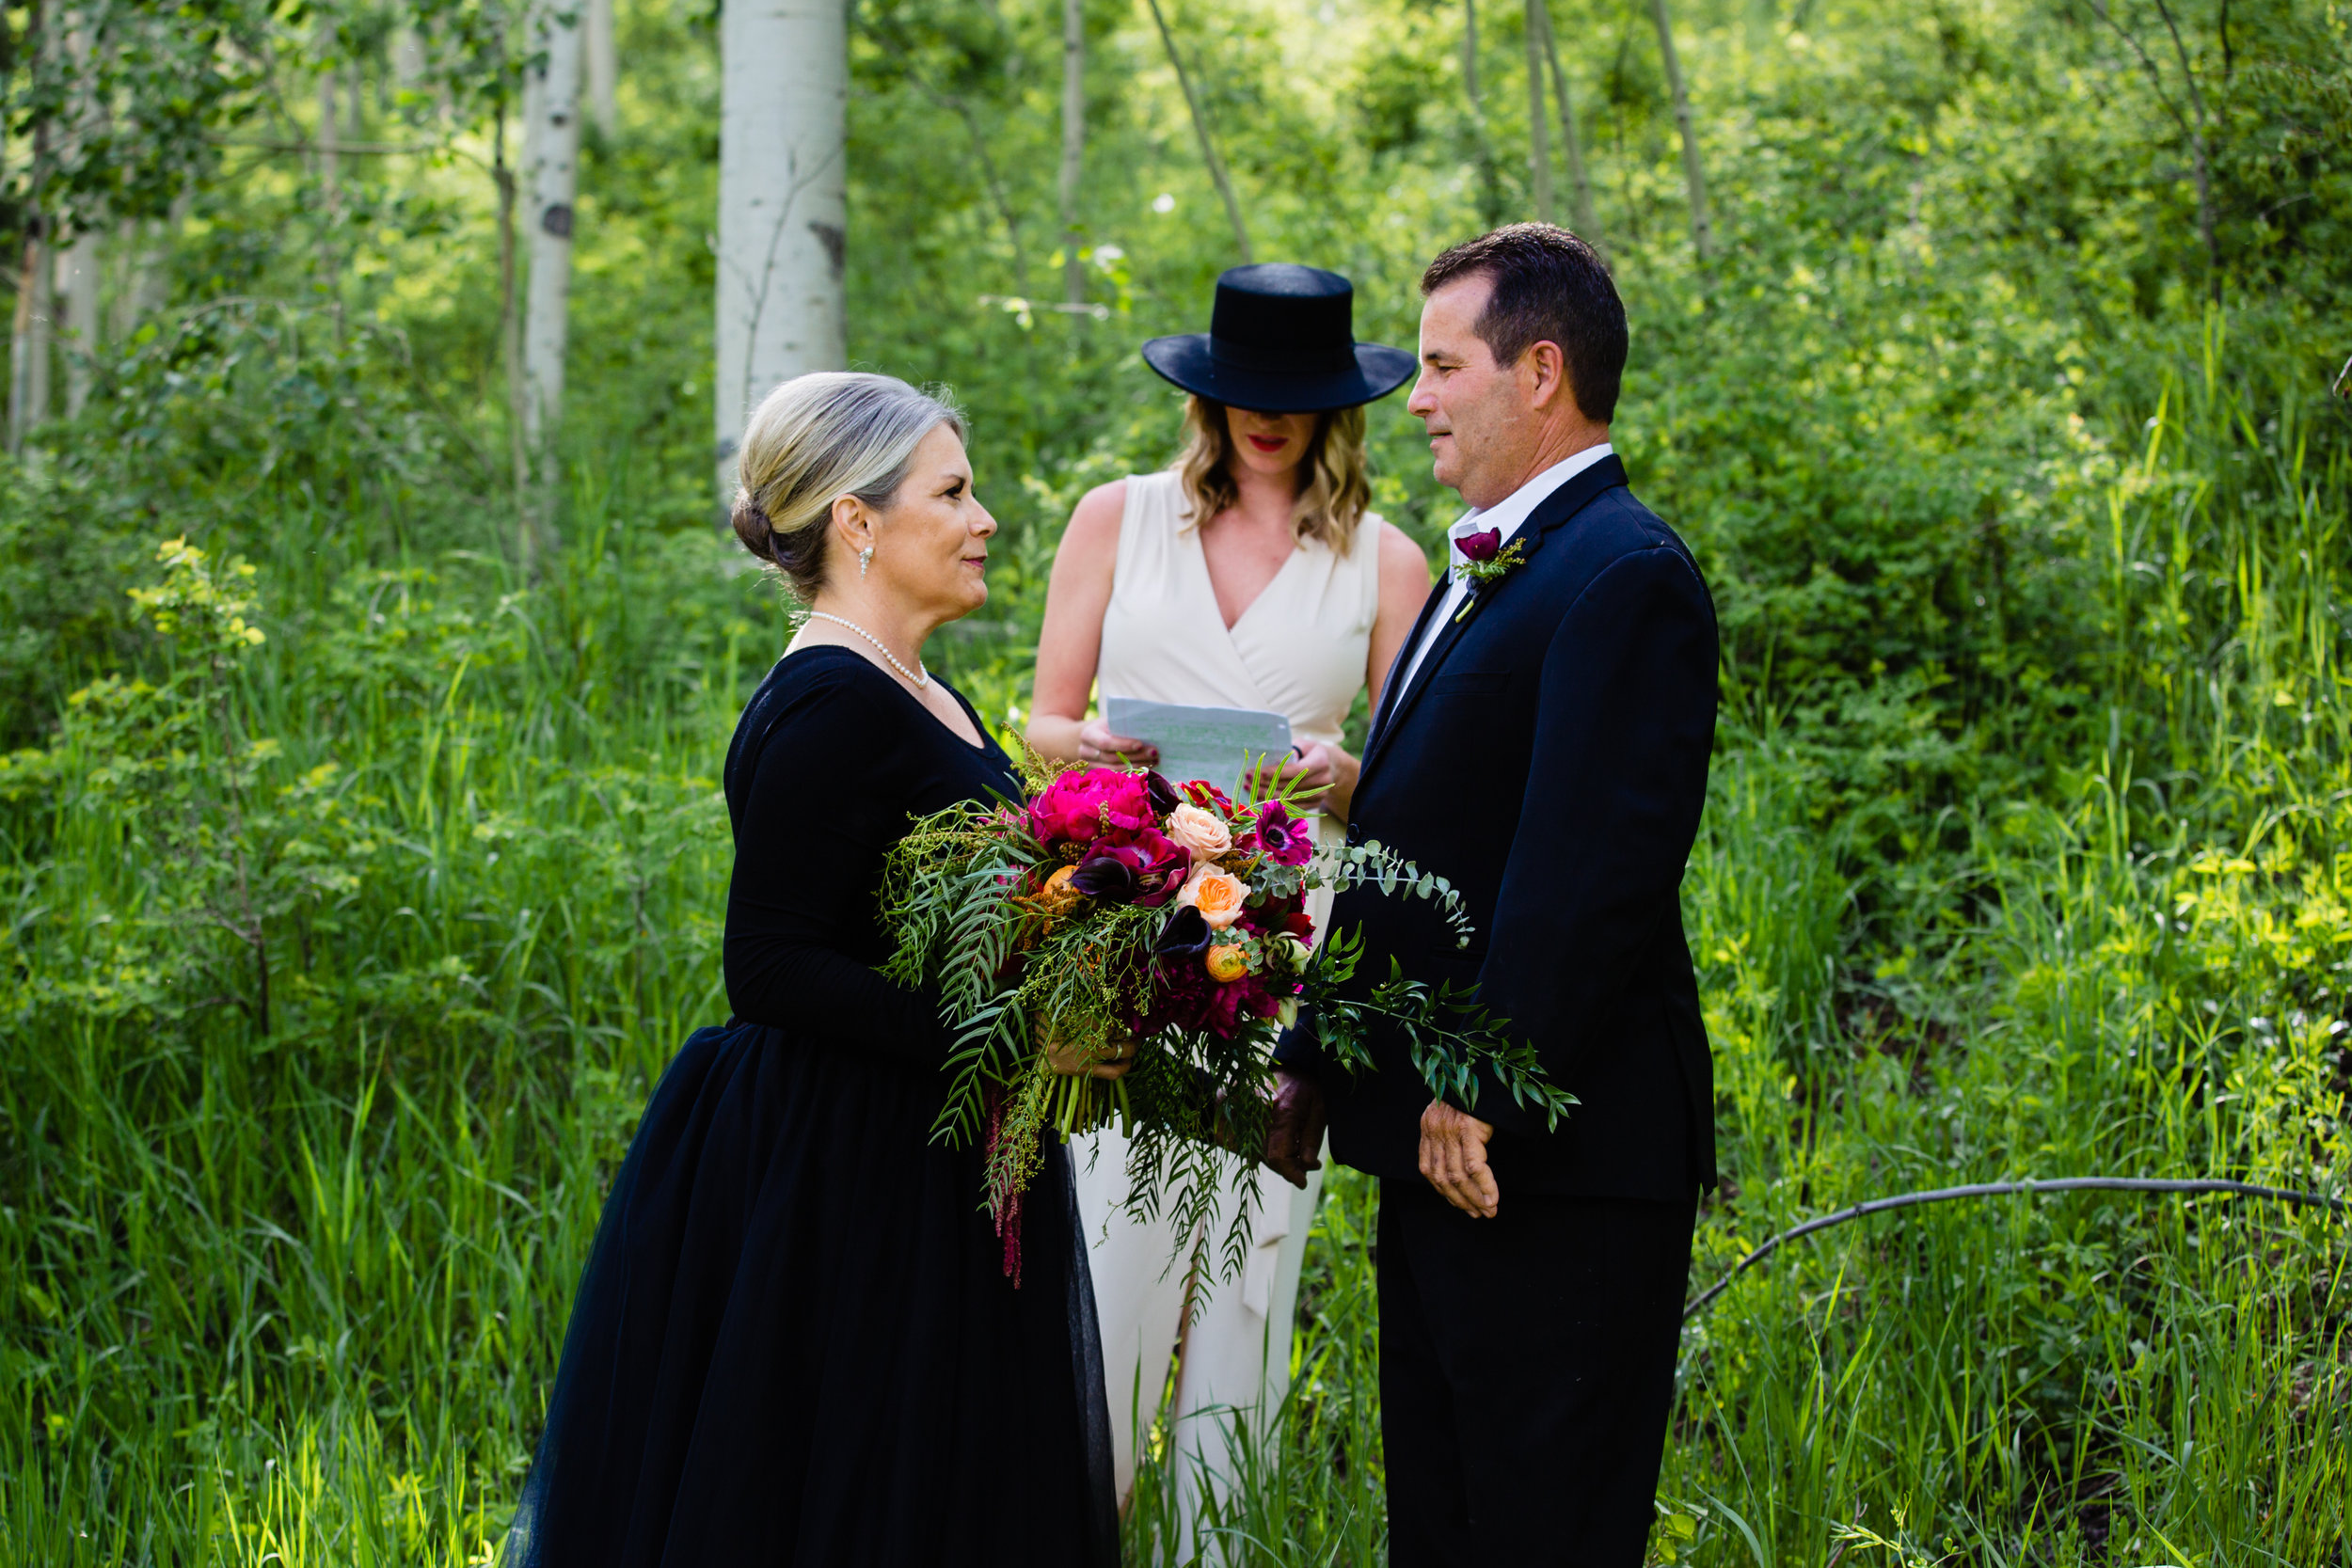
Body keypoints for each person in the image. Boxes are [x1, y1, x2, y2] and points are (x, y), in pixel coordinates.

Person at [506, 372, 1123, 1568]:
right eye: (953, 490)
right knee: (848, 1492)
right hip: (847, 1169)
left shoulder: (922, 689)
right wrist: (1002, 1041)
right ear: (858, 521)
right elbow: (773, 965)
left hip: (933, 1150)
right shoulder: (829, 698)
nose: (984, 516)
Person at [1275, 225, 1719, 1565]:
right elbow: (1431, 834)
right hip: (1439, 1152)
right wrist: (1315, 1057)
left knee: (1542, 1528)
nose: (1413, 399)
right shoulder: (1492, 570)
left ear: (1539, 371)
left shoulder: (1625, 573)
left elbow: (1595, 865)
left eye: (1438, 365)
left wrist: (1480, 1081)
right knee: (1447, 1526)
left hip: (1547, 1163)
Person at [1025, 263, 1428, 1515]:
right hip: (1122, 921)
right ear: (1207, 392)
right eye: (1245, 390)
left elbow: (1416, 789)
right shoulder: (1117, 515)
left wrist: (1340, 767)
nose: (1268, 416)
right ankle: (1073, 1523)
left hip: (1280, 942)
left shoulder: (1385, 559)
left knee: (1248, 1250)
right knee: (1105, 1235)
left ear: (1335, 405)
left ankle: (1215, 1537)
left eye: (1295, 394)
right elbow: (1040, 721)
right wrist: (1090, 749)